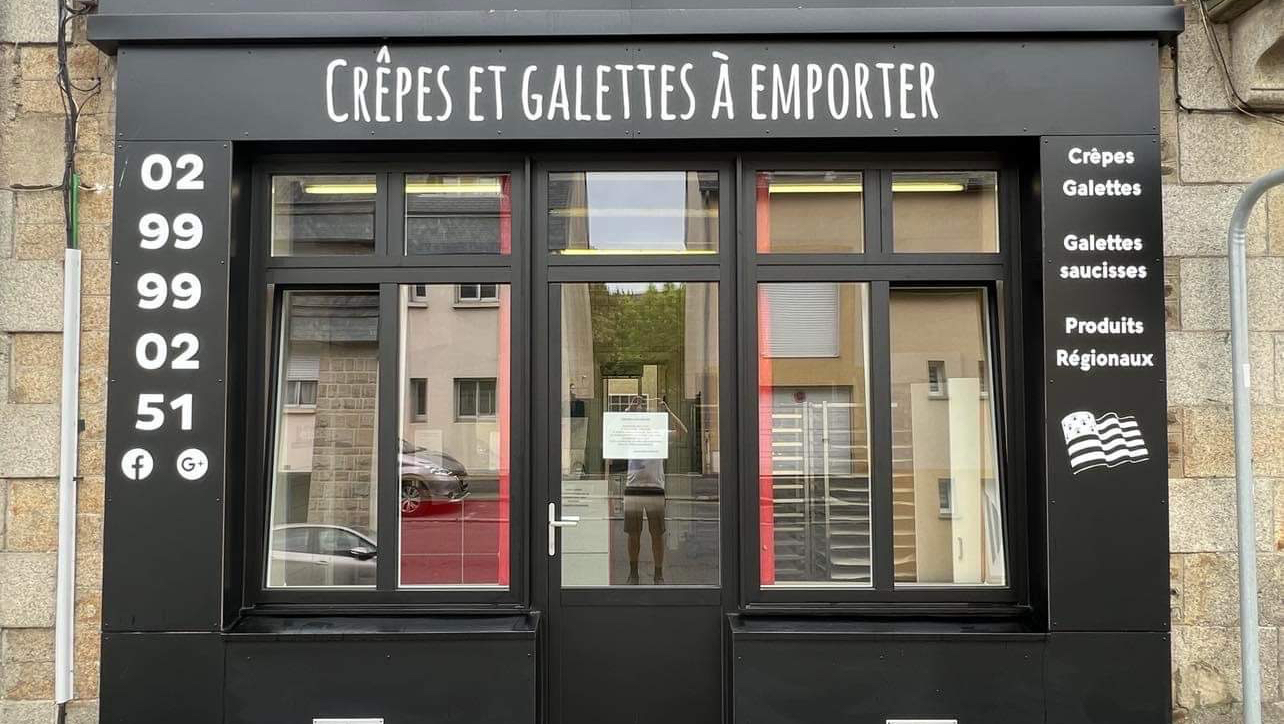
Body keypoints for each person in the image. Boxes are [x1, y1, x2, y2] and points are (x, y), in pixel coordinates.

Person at [623, 395, 687, 585]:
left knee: (657, 534)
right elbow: (615, 427)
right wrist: (629, 410)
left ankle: (658, 575)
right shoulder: (631, 434)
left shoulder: (659, 434)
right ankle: (633, 573)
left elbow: (682, 432)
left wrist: (668, 411)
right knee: (633, 534)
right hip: (633, 488)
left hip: (655, 488)